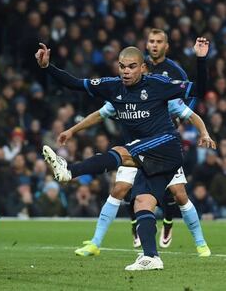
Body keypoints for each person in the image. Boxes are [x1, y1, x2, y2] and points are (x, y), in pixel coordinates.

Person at [35, 38, 208, 270]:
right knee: (142, 203)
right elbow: (74, 83)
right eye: (122, 66)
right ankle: (151, 257)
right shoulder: (112, 87)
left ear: (142, 67)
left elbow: (200, 89)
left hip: (167, 147)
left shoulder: (158, 84)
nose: (126, 71)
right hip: (147, 155)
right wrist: (47, 67)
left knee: (121, 152)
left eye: (132, 66)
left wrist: (201, 59)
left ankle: (69, 171)